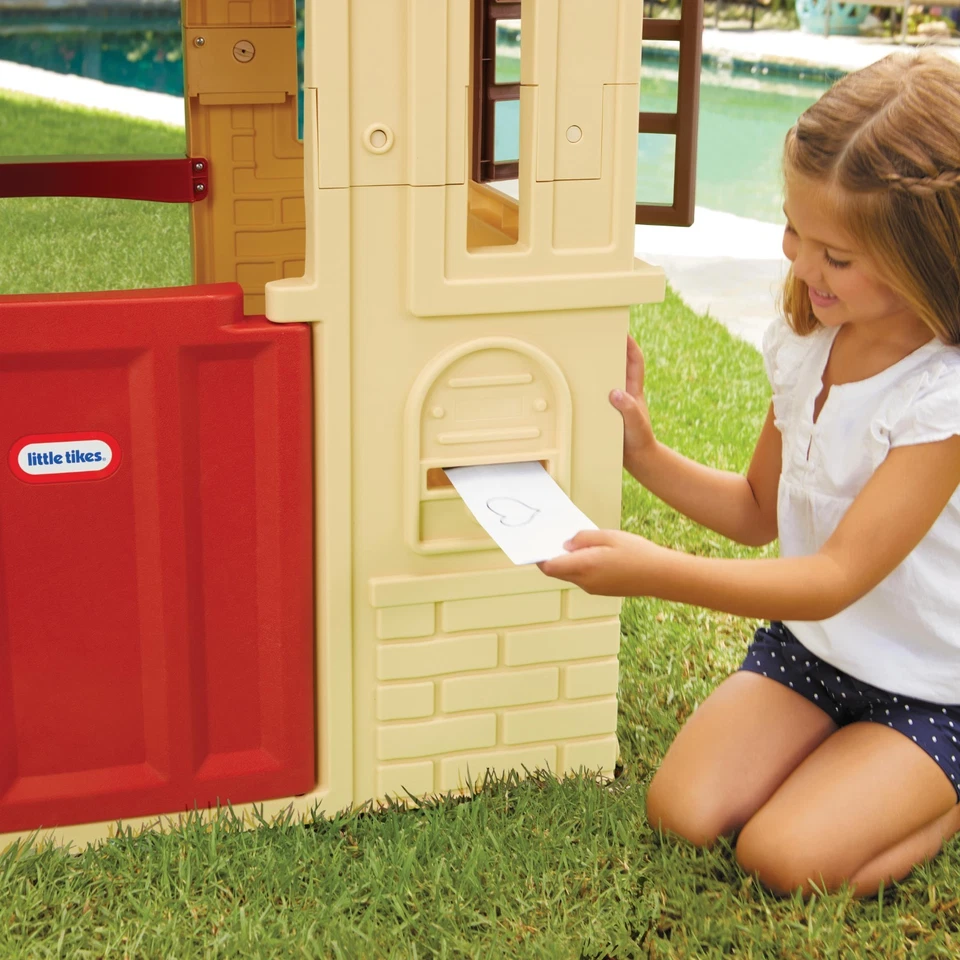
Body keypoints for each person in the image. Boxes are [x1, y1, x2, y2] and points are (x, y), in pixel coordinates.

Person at [538, 50, 960, 898]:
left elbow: (834, 577)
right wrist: (645, 454)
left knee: (784, 859)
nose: (803, 266)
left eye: (837, 256)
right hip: (811, 653)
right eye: (796, 232)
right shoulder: (807, 348)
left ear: (927, 254)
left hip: (929, 686)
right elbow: (757, 510)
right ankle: (856, 766)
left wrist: (652, 574)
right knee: (683, 813)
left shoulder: (940, 399)